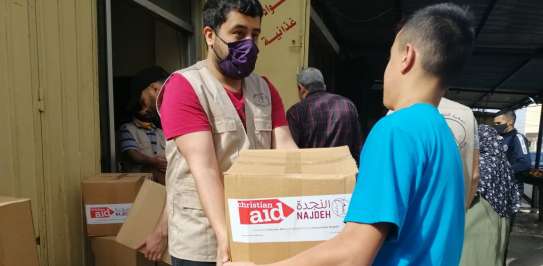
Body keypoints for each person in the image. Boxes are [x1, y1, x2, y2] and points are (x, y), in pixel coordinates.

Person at [228, 3, 474, 266]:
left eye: (389, 57)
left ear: (407, 56)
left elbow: (354, 254)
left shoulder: (396, 131)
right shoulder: (444, 137)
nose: (386, 69)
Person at [157, 0, 297, 265]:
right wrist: (226, 238)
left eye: (255, 35)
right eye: (238, 33)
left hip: (257, 228)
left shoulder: (265, 89)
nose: (249, 44)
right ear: (210, 35)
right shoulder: (185, 87)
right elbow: (205, 169)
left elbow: (287, 152)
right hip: (203, 240)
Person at [460, 124, 520, 266]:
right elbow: (514, 195)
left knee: (474, 255)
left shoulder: (479, 163)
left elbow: (471, 189)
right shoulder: (505, 164)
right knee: (493, 254)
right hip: (501, 218)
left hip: (478, 215)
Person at [287, 67, 361, 162]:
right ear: (324, 86)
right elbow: (357, 148)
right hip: (343, 173)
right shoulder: (348, 105)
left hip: (311, 174)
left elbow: (291, 154)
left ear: (301, 88)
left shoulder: (295, 112)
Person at [119, 66, 168, 184]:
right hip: (139, 185)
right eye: (140, 105)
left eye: (143, 102)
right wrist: (153, 162)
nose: (145, 109)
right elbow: (131, 154)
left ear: (155, 89)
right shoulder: (128, 129)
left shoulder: (161, 132)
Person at [438, 98, 480, 207]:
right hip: (454, 205)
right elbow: (475, 175)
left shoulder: (398, 111)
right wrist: (465, 208)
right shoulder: (467, 114)